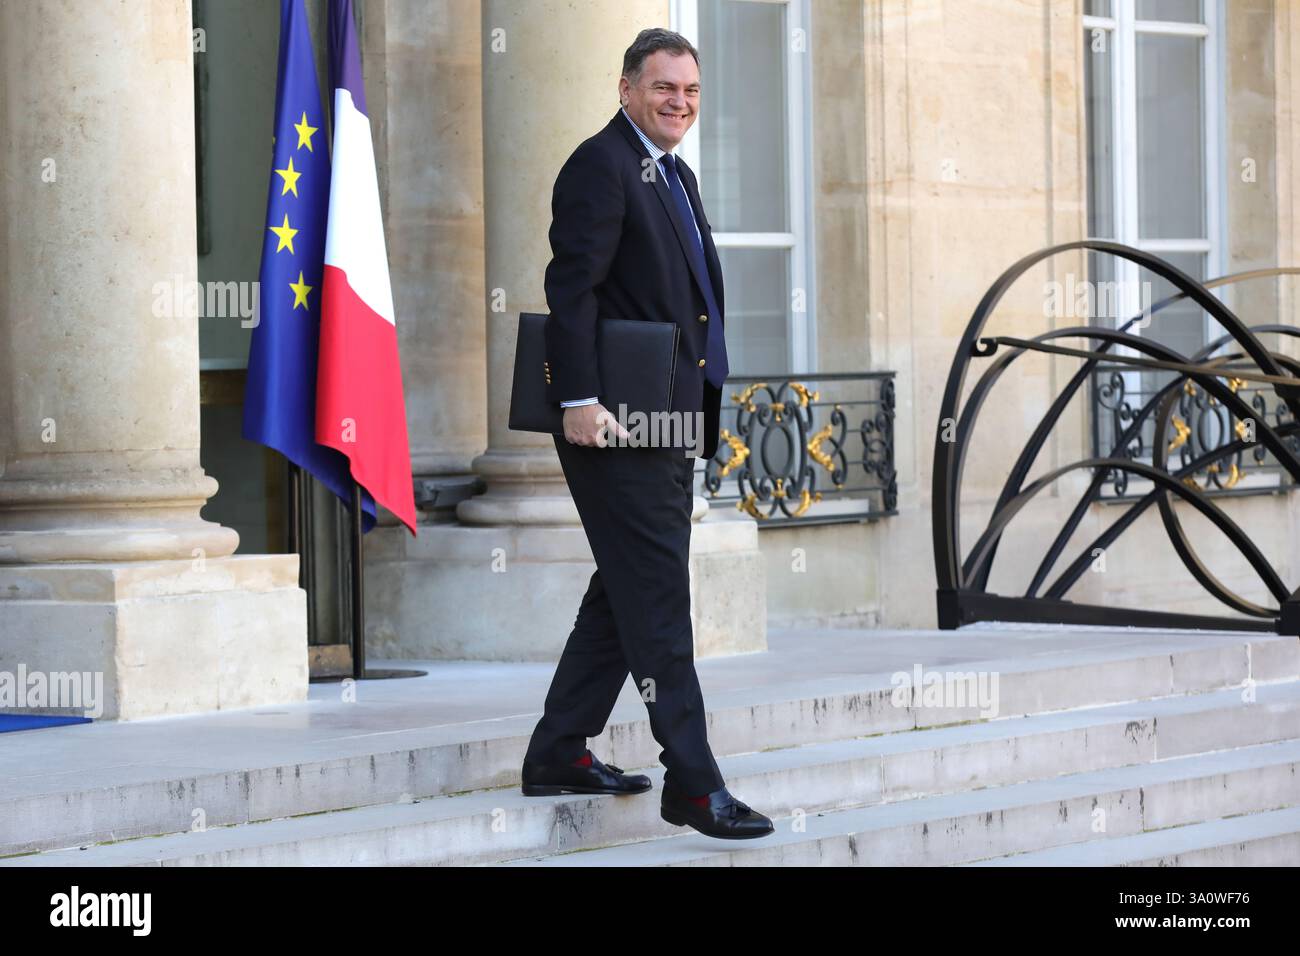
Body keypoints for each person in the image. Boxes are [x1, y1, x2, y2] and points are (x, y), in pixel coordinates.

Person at [519, 28, 774, 840]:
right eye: (664, 88)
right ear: (627, 88)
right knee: (659, 599)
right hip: (613, 422)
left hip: (665, 417)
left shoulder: (675, 172)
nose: (680, 103)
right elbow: (572, 292)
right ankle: (693, 784)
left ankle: (559, 749)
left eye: (692, 91)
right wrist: (579, 398)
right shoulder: (600, 164)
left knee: (627, 586)